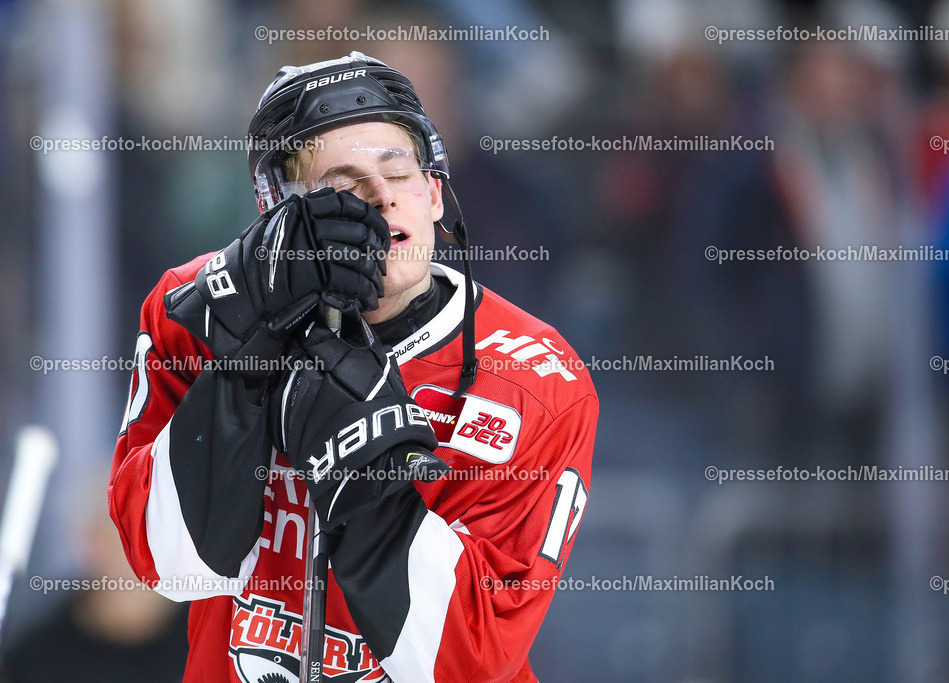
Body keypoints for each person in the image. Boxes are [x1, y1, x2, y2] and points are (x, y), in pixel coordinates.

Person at [108, 51, 598, 682]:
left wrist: (368, 479)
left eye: (398, 173)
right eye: (342, 186)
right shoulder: (197, 308)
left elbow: (466, 662)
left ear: (435, 193)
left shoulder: (536, 378)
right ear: (277, 210)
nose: (381, 199)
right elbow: (165, 564)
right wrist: (243, 369)